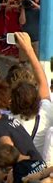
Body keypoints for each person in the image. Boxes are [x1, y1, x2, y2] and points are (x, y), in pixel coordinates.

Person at [9, 32, 53, 167]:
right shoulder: (47, 111)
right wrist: (29, 49)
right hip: (38, 173)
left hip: (17, 176)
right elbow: (43, 82)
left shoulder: (9, 123)